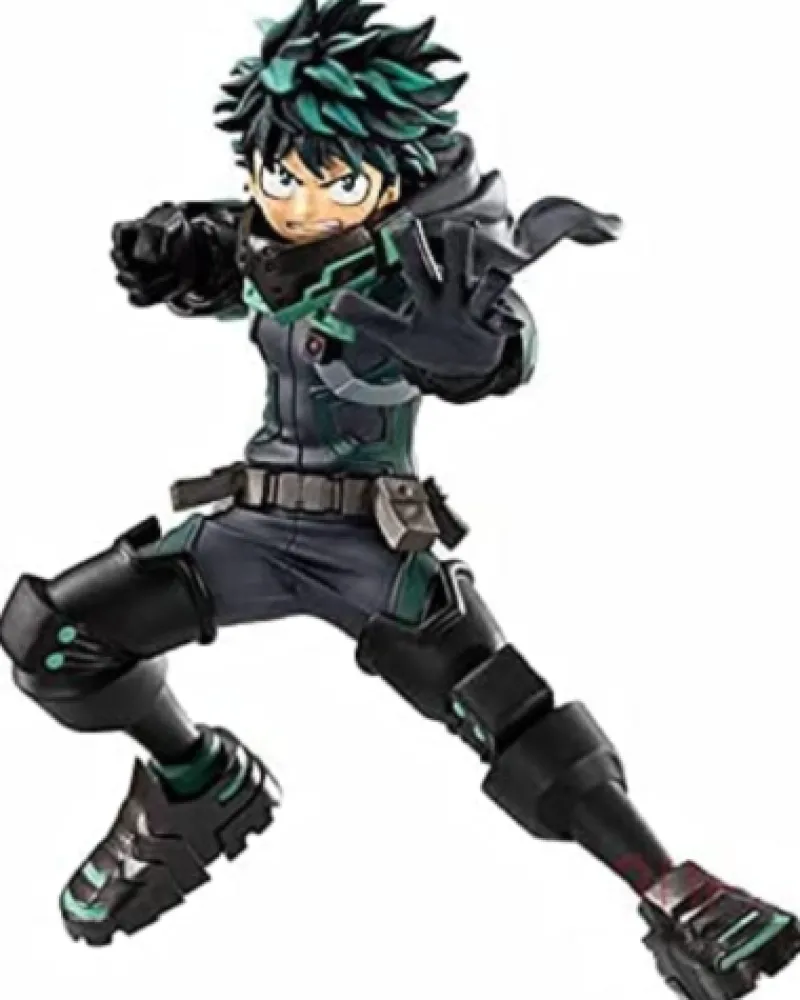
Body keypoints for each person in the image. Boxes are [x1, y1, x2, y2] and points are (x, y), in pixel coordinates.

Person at [1, 3, 797, 995]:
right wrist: (177, 254)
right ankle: (198, 782)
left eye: (334, 181)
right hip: (248, 532)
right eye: (279, 174)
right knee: (52, 637)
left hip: (368, 546)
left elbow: (497, 347)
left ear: (390, 178)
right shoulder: (274, 245)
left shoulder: (422, 272)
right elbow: (228, 261)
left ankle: (679, 895)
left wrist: (472, 349)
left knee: (508, 715)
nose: (298, 202)